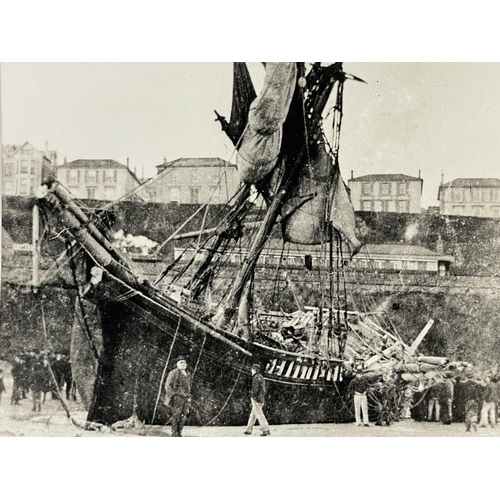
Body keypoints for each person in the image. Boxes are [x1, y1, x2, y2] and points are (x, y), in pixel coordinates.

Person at [164, 355, 192, 437]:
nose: (183, 364)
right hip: (177, 398)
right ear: (177, 364)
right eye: (181, 362)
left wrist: (189, 396)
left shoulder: (188, 374)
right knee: (176, 416)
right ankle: (174, 434)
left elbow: (189, 386)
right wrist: (173, 395)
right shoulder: (173, 373)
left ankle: (179, 433)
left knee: (183, 417)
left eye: (184, 362)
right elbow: (167, 386)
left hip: (186, 399)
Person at [244, 363, 270, 436]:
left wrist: (253, 397)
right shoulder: (261, 377)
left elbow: (255, 389)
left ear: (254, 370)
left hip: (256, 399)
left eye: (252, 369)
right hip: (261, 398)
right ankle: (248, 429)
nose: (251, 371)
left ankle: (265, 430)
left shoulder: (255, 377)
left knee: (259, 414)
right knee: (253, 414)